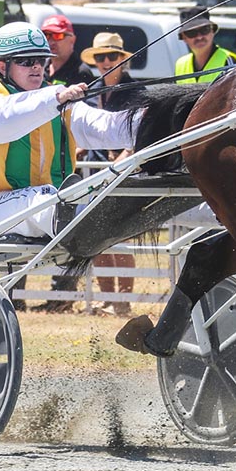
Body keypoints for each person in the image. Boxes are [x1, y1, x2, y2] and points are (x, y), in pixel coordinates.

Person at [0, 21, 139, 244]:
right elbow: (4, 121)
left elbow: (107, 127)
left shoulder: (56, 100)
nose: (37, 67)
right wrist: (55, 98)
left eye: (41, 60)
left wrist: (153, 121)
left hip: (52, 200)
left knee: (55, 198)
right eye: (26, 61)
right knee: (44, 199)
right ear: (3, 67)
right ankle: (75, 220)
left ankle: (82, 219)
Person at [80, 31, 138, 316]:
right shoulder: (91, 91)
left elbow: (139, 134)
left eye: (111, 56)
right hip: (95, 170)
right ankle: (107, 298)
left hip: (125, 171)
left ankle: (123, 301)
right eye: (100, 57)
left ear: (122, 60)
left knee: (121, 237)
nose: (106, 62)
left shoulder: (136, 91)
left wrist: (122, 162)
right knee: (97, 235)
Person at [174, 6, 236, 83]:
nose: (199, 37)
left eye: (204, 30)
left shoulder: (228, 60)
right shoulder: (180, 64)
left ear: (213, 31)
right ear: (184, 37)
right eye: (192, 33)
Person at [40, 14, 95, 86]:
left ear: (72, 40)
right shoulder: (39, 68)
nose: (51, 42)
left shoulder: (81, 72)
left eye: (58, 36)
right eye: (46, 35)